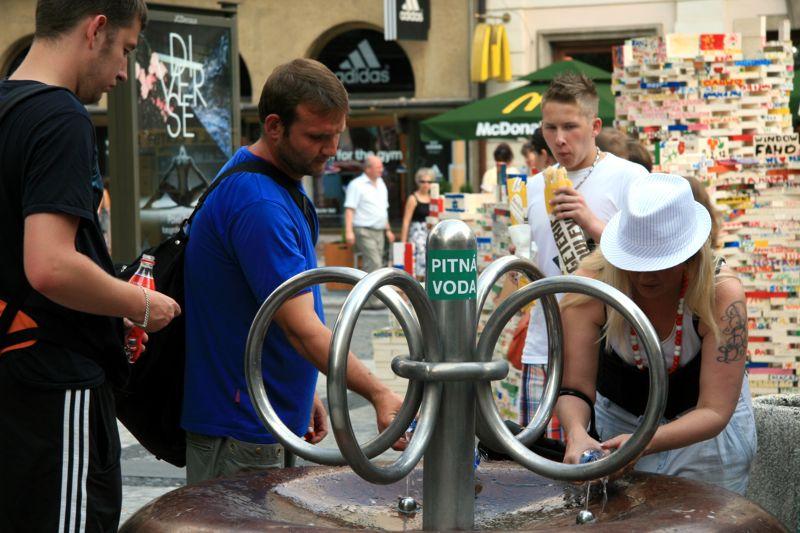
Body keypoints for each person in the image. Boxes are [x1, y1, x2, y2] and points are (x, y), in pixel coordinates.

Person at [0, 1, 181, 530]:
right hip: (56, 386)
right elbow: (51, 265)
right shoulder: (59, 117)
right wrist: (140, 303)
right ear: (96, 28)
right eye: (125, 49)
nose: (124, 72)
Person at [182, 58, 405, 484]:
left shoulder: (273, 181)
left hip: (266, 414)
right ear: (274, 126)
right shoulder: (259, 204)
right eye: (317, 137)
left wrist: (302, 392)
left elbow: (281, 311)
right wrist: (377, 391)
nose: (331, 149)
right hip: (243, 424)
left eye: (337, 134)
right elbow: (303, 330)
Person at [556, 174, 755, 495]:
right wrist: (577, 433)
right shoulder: (591, 286)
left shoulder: (720, 293)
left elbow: (715, 410)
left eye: (661, 259)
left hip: (706, 440)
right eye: (635, 258)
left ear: (689, 254)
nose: (646, 274)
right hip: (619, 427)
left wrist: (644, 441)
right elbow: (575, 388)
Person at [520, 72, 649, 439]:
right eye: (550, 128)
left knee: (597, 468)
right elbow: (535, 262)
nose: (559, 139)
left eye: (570, 127)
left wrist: (591, 223)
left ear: (594, 126)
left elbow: (648, 256)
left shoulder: (629, 177)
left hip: (608, 348)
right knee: (538, 464)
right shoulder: (534, 187)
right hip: (543, 344)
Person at [344, 154, 395, 277]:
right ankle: (371, 295)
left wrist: (388, 230)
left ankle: (371, 293)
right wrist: (348, 231)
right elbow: (350, 209)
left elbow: (383, 209)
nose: (381, 169)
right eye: (378, 167)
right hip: (363, 230)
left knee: (378, 265)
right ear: (367, 169)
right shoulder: (356, 185)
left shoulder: (381, 183)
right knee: (374, 263)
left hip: (380, 231)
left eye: (381, 166)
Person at [400, 167, 434, 278]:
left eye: (429, 182)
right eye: (423, 181)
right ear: (417, 182)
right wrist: (403, 242)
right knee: (418, 262)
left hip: (430, 232)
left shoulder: (433, 198)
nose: (426, 184)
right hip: (417, 233)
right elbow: (406, 221)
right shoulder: (413, 198)